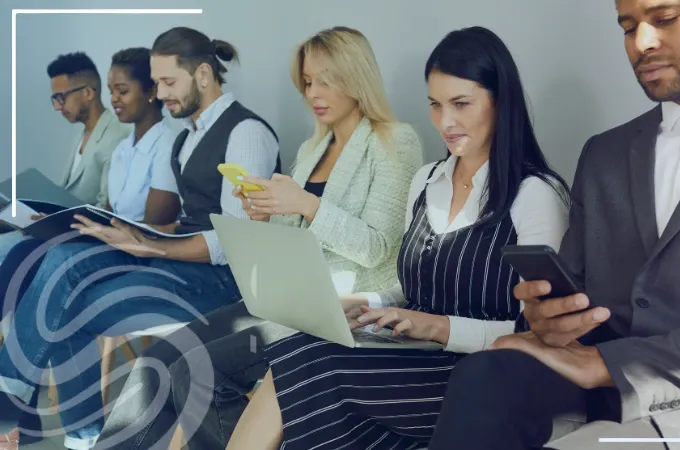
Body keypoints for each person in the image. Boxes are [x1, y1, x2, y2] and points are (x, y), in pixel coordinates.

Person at [427, 1, 680, 449]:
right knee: (484, 375)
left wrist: (608, 365)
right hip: (604, 383)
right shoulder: (605, 154)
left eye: (664, 19)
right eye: (628, 27)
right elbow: (576, 294)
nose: (641, 43)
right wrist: (547, 319)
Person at [225, 26, 571, 450]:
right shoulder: (427, 181)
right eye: (435, 105)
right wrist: (369, 304)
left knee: (317, 364)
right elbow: (411, 289)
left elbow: (535, 332)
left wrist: (441, 328)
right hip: (417, 353)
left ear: (500, 102)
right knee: (301, 348)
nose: (445, 122)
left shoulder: (536, 195)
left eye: (461, 104)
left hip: (484, 371)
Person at [95, 26, 424, 450]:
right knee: (158, 359)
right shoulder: (312, 150)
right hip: (290, 298)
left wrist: (305, 204)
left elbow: (377, 245)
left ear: (356, 77)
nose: (313, 93)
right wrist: (266, 217)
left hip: (343, 307)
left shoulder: (394, 141)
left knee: (200, 369)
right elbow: (297, 239)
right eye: (307, 82)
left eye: (325, 79)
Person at [0, 26, 279, 450]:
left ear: (203, 75)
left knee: (64, 297)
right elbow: (187, 224)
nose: (160, 92)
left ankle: (12, 408)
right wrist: (131, 234)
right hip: (182, 263)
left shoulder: (246, 134)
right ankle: (81, 437)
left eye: (168, 82)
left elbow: (234, 243)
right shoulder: (187, 138)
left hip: (224, 283)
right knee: (61, 262)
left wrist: (150, 244)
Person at [0, 46, 180, 447]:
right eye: (112, 90)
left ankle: (12, 396)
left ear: (151, 91)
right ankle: (65, 431)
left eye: (121, 90)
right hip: (102, 243)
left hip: (139, 253)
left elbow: (155, 225)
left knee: (43, 264)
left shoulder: (169, 142)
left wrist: (91, 228)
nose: (113, 99)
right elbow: (109, 209)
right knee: (28, 265)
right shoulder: (122, 150)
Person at [0, 52, 130, 262]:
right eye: (55, 99)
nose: (58, 106)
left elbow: (106, 211)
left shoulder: (117, 137)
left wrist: (49, 222)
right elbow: (65, 195)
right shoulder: (82, 135)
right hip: (58, 229)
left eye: (61, 97)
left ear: (88, 92)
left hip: (79, 237)